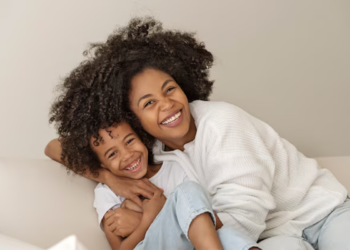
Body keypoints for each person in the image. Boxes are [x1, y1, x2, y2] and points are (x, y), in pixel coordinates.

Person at [46, 17, 349, 249]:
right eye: (148, 103)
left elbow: (243, 219)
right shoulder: (150, 147)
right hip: (274, 236)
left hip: (323, 215)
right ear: (131, 118)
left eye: (170, 89)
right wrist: (111, 178)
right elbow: (57, 147)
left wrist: (148, 219)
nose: (167, 105)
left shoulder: (221, 123)